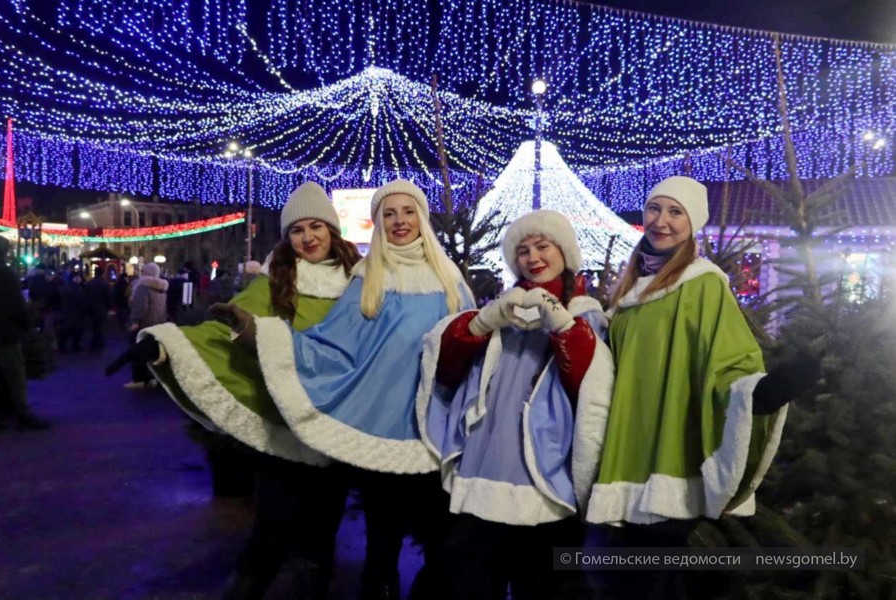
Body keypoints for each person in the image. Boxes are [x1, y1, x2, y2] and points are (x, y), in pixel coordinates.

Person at [108, 182, 361, 600]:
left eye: (317, 226)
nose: (308, 237)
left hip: (337, 425)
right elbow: (227, 326)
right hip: (284, 429)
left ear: (333, 231)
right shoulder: (274, 282)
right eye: (297, 230)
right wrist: (165, 344)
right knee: (270, 534)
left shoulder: (359, 282)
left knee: (319, 541)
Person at [580, 176, 818, 598]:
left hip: (672, 451)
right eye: (655, 208)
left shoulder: (704, 284)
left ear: (693, 223)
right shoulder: (628, 294)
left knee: (646, 578)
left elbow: (727, 360)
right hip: (626, 450)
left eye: (676, 212)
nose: (662, 221)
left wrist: (758, 393)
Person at [241, 179, 473, 600]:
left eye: (407, 211)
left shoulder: (450, 279)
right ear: (379, 223)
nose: (399, 221)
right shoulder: (367, 277)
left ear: (421, 217)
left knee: (443, 538)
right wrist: (267, 336)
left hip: (436, 433)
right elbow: (331, 343)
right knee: (382, 542)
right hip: (380, 431)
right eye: (389, 214)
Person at [417, 210, 613, 600]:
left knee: (538, 580)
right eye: (523, 250)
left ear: (564, 253)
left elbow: (587, 382)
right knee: (471, 572)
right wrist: (485, 320)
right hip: (486, 461)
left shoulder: (584, 314)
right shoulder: (503, 311)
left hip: (546, 468)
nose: (533, 257)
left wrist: (559, 322)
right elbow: (448, 368)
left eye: (543, 246)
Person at [0, 236, 50, 431]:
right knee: (15, 373)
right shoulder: (6, 273)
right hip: (5, 333)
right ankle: (22, 413)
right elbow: (16, 304)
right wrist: (27, 325)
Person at [124, 262, 168, 389]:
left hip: (143, 325)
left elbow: (140, 307)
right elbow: (163, 309)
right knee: (152, 353)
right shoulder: (162, 289)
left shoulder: (143, 287)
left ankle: (139, 379)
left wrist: (134, 321)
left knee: (137, 352)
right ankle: (152, 378)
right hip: (156, 325)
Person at [84, 265, 111, 351]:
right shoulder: (105, 284)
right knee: (100, 326)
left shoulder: (89, 283)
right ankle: (98, 343)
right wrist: (108, 307)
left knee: (94, 326)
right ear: (102, 273)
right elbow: (108, 297)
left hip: (92, 308)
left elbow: (85, 296)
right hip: (101, 308)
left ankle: (96, 343)